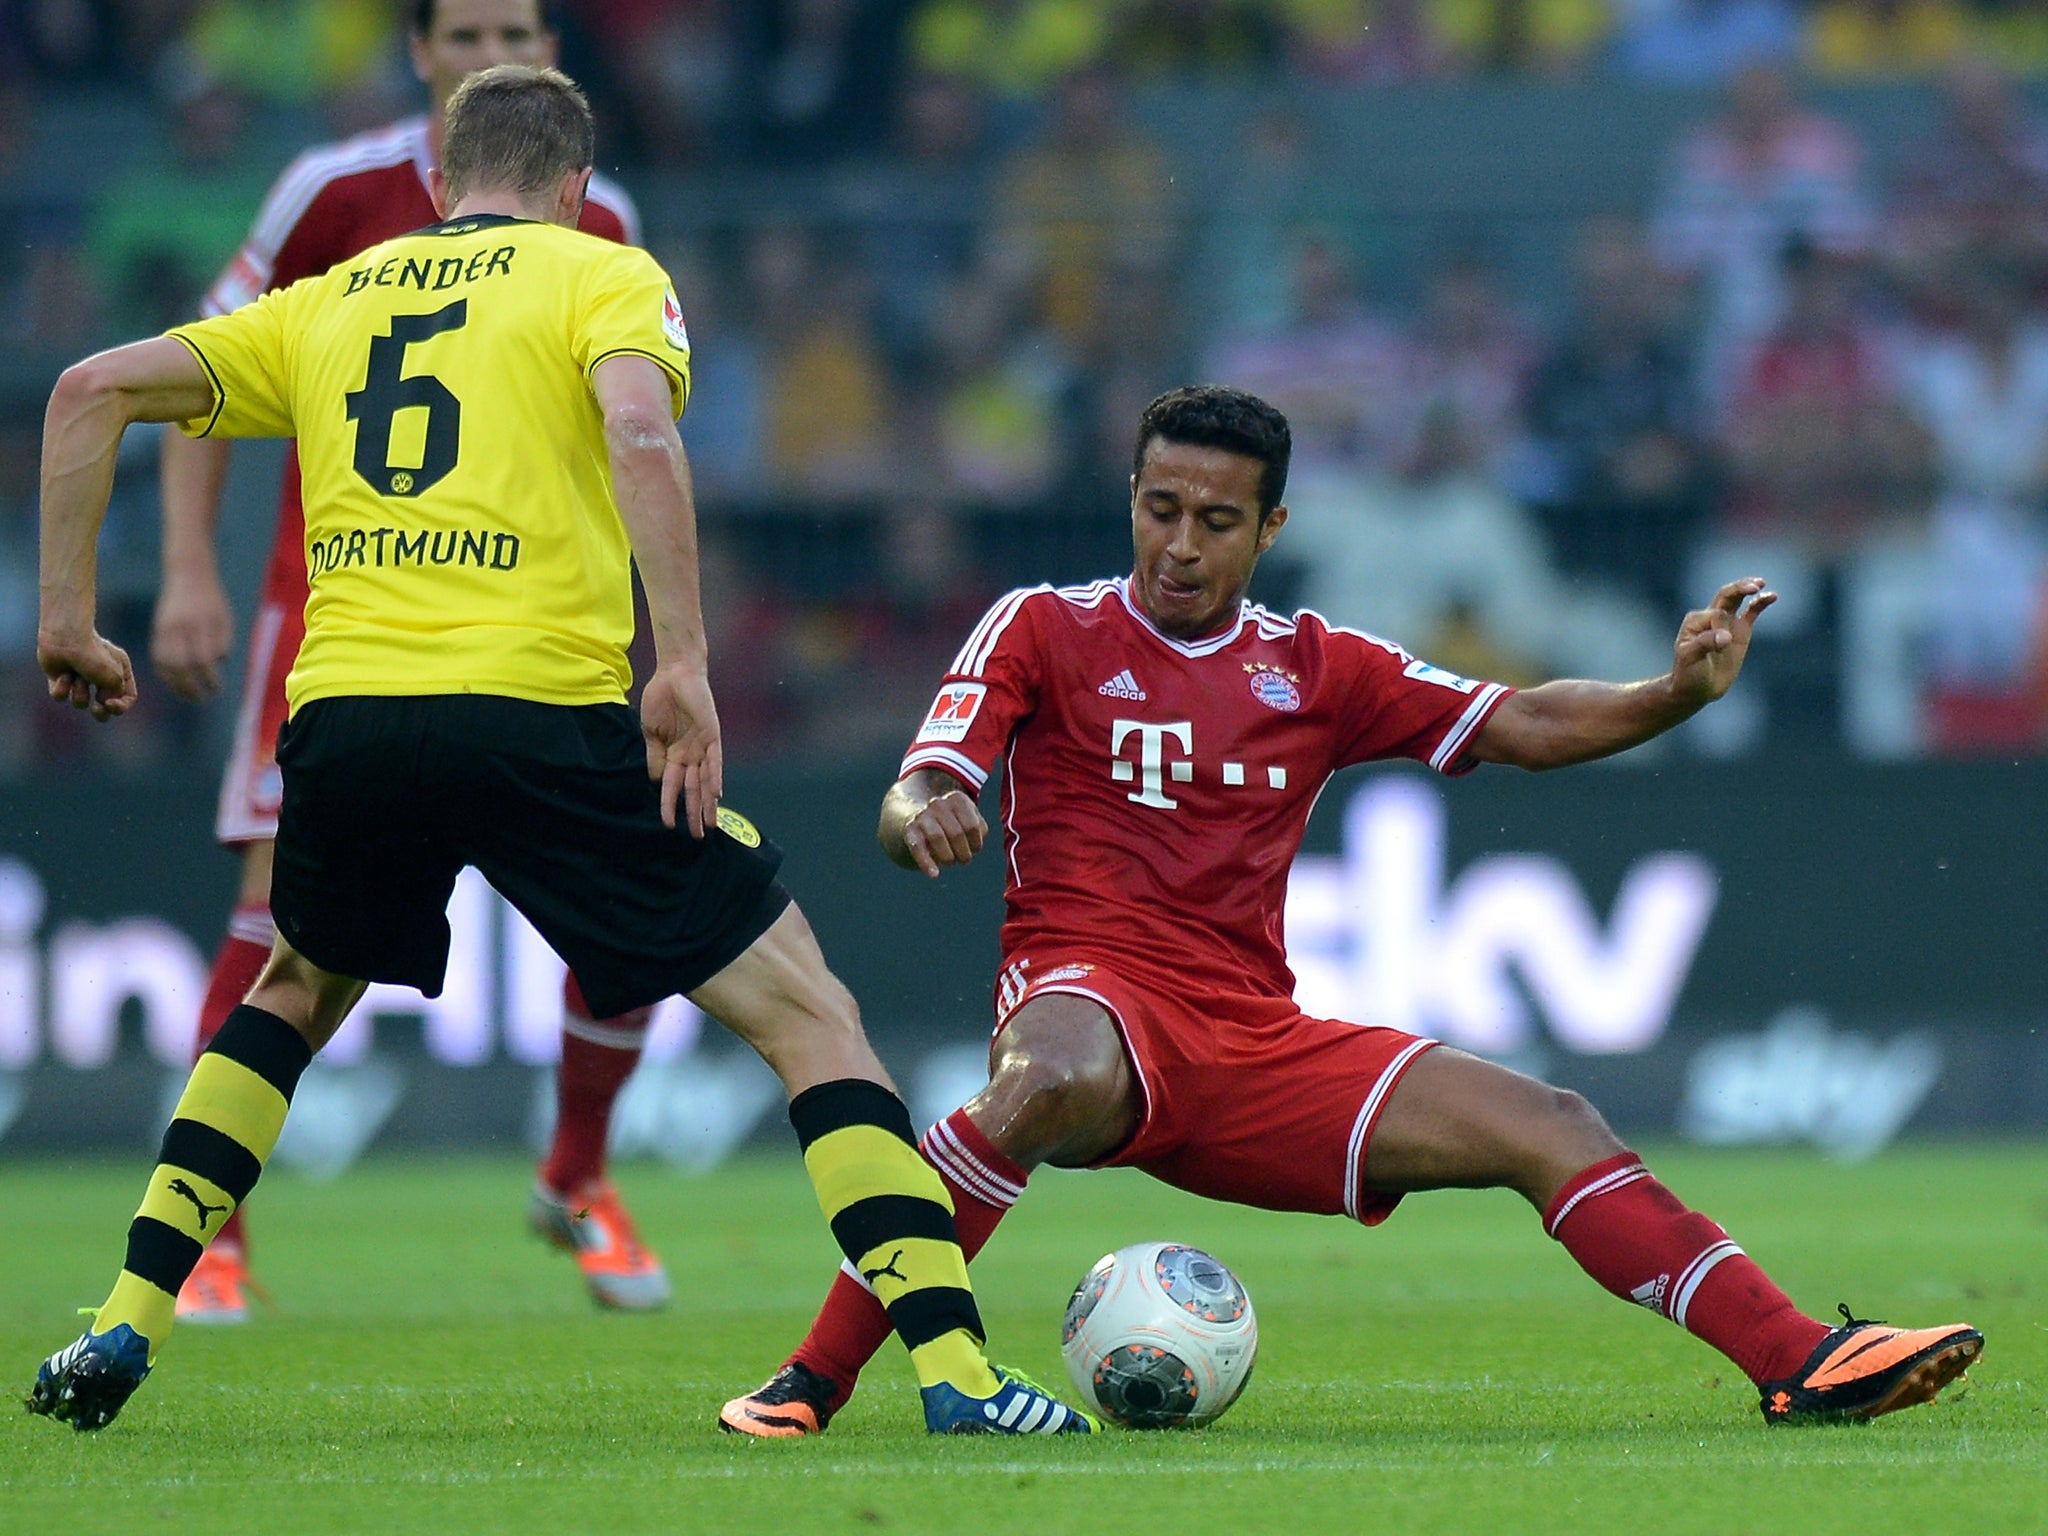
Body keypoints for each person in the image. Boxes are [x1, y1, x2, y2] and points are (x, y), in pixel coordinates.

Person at [28, 64, 1089, 1441]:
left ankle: (124, 1317)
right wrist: (687, 666)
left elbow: (85, 388)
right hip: (539, 712)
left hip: (348, 721)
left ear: (437, 180)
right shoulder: (603, 277)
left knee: (291, 991)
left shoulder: (333, 298)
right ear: (577, 189)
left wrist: (67, 621)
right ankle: (955, 1376)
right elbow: (642, 430)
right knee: (809, 1015)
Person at [718, 383, 1983, 1437]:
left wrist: (1673, 695)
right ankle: (810, 1383)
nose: (1179, 545)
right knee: (1042, 1074)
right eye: (1159, 510)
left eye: (1216, 521)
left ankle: (1796, 1356)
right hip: (1086, 995)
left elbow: (1526, 723)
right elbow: (916, 784)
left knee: (1546, 1119)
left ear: (1268, 528)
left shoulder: (1318, 666)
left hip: (1252, 1041)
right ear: (1130, 502)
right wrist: (924, 808)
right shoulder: (1042, 628)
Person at [150, 0, 666, 1319]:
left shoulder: (598, 217)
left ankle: (578, 1175)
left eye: (520, 28)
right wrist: (194, 570)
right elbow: (189, 375)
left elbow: (632, 439)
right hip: (333, 618)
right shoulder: (331, 192)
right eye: (465, 31)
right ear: (418, 56)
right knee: (277, 917)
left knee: (628, 901)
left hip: (539, 628)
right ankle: (215, 1230)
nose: (495, 52)